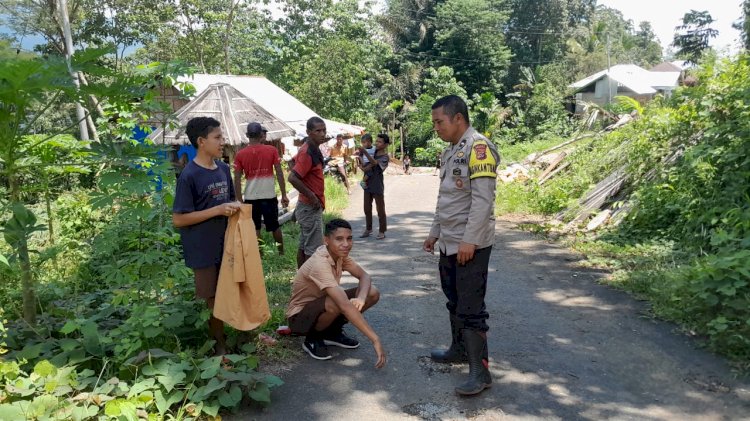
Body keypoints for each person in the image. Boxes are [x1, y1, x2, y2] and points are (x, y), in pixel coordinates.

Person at [423, 95, 500, 396]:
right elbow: (447, 200)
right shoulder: (451, 150)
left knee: (471, 307)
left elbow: (483, 201)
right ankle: (458, 350)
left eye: (439, 122)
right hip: (450, 243)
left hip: (471, 245)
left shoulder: (478, 148)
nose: (436, 128)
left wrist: (470, 240)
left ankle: (481, 373)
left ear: (458, 118)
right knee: (453, 300)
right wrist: (434, 232)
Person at [172, 117, 242, 356]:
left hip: (227, 244)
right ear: (201, 142)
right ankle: (219, 344)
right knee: (212, 298)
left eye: (222, 137)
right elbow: (179, 219)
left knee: (231, 290)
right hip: (202, 248)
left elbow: (231, 201)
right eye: (218, 138)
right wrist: (217, 210)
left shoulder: (223, 169)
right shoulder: (189, 175)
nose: (223, 142)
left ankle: (239, 334)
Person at [286, 218, 386, 367]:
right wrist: (375, 339)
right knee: (337, 301)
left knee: (372, 292)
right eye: (339, 239)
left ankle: (331, 332)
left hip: (322, 307)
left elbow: (364, 276)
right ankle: (313, 338)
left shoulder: (339, 255)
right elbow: (344, 305)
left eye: (349, 238)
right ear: (326, 240)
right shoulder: (320, 262)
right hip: (299, 319)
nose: (346, 244)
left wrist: (361, 298)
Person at [233, 122, 290, 255]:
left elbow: (236, 178)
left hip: (250, 197)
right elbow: (279, 172)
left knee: (255, 227)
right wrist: (284, 194)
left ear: (247, 135)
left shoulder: (240, 154)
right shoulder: (272, 151)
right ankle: (281, 253)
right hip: (269, 195)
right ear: (261, 135)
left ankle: (260, 255)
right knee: (275, 226)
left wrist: (240, 200)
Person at [288, 117, 327, 268]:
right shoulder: (307, 151)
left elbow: (292, 162)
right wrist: (311, 196)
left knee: (305, 245)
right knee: (314, 249)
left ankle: (301, 280)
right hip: (309, 206)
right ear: (309, 132)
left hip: (307, 205)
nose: (322, 134)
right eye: (318, 131)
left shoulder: (311, 147)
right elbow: (292, 177)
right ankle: (311, 283)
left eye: (324, 130)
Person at [359, 134, 390, 240]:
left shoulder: (385, 157)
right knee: (366, 208)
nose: (377, 143)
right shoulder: (372, 151)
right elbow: (366, 167)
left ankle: (382, 231)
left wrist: (364, 152)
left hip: (377, 185)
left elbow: (374, 162)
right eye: (376, 141)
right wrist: (362, 166)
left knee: (380, 209)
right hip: (367, 184)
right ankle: (368, 229)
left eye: (380, 142)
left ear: (386, 145)